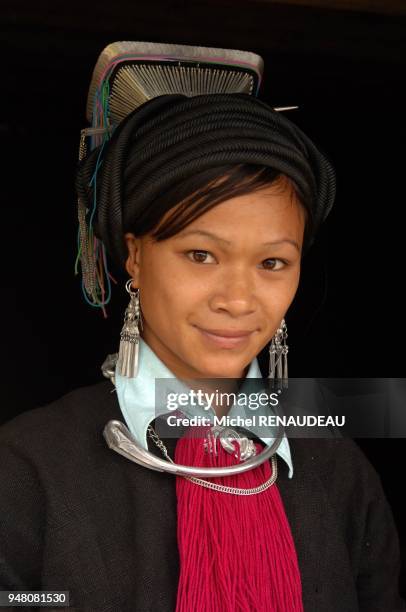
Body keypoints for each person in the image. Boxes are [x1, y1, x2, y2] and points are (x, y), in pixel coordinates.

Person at [0, 48, 405, 612]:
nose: (238, 300)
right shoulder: (29, 467)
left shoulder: (337, 468)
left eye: (272, 264)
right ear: (136, 257)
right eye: (200, 254)